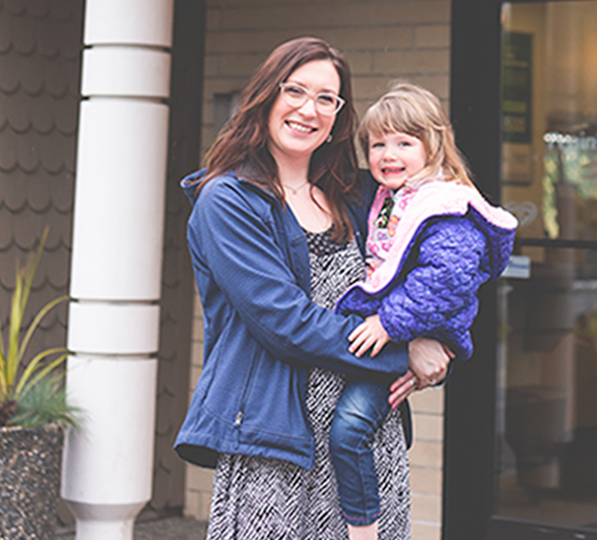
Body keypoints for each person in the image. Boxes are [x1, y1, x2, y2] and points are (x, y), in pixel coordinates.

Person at [173, 38, 451, 540]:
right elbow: (285, 322)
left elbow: (446, 254)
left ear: (340, 115)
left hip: (365, 435)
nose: (309, 109)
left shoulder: (360, 193)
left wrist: (446, 340)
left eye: (327, 98)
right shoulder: (229, 200)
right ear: (265, 96)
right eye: (296, 91)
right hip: (274, 442)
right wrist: (404, 351)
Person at [331, 83, 517, 540]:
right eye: (378, 144)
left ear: (434, 146)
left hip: (405, 329)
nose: (388, 154)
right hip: (399, 334)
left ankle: (363, 528)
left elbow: (446, 280)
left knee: (349, 430)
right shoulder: (391, 197)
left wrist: (389, 323)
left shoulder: (444, 206)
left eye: (404, 143)